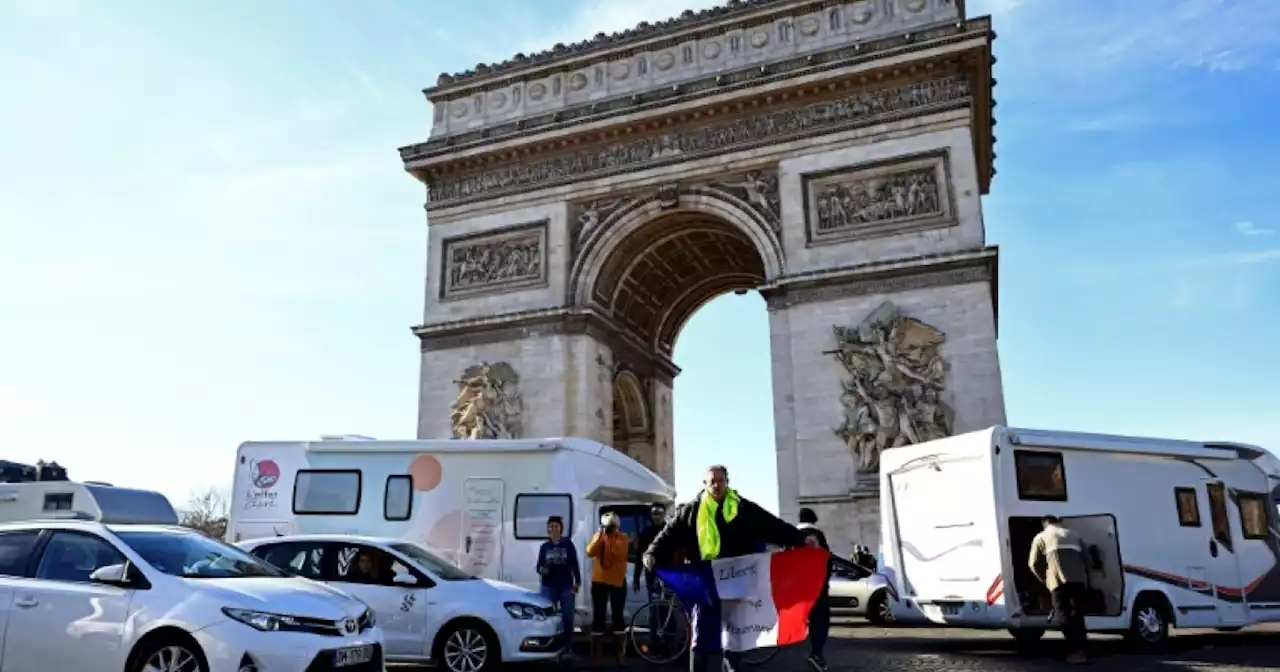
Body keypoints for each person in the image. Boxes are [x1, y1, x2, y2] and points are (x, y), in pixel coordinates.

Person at [643, 465, 818, 672]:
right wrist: (651, 553)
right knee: (701, 637)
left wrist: (800, 538)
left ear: (727, 482)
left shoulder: (743, 508)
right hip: (706, 583)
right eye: (712, 481)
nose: (717, 485)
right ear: (705, 484)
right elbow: (668, 535)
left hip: (737, 581)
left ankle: (733, 668)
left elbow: (772, 525)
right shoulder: (690, 511)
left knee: (735, 635)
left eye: (721, 481)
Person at [1029, 515, 1090, 664]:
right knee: (1077, 615)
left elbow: (1033, 564)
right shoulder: (1074, 534)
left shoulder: (1041, 537)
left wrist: (1044, 579)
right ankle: (1082, 650)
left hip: (1058, 581)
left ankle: (1074, 650)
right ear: (1058, 522)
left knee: (1063, 615)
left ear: (1044, 524)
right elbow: (1087, 560)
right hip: (1079, 581)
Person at [586, 511, 630, 665]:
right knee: (599, 617)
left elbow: (619, 553)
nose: (610, 529)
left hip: (617, 581)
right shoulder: (599, 536)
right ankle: (596, 657)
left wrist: (612, 536)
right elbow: (590, 552)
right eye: (608, 526)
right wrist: (599, 536)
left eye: (612, 526)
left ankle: (619, 655)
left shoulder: (623, 538)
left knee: (618, 617)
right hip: (599, 581)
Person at [535, 515, 581, 654]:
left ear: (561, 528)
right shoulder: (544, 547)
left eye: (556, 526)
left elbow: (574, 564)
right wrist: (543, 570)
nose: (554, 528)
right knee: (547, 618)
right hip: (548, 586)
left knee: (568, 617)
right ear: (548, 529)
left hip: (565, 586)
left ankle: (568, 648)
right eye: (551, 526)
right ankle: (549, 647)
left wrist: (577, 582)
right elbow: (539, 567)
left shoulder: (568, 544)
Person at [633, 503, 672, 655]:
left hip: (669, 574)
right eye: (654, 513)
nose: (656, 516)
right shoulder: (646, 532)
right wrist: (636, 577)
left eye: (659, 512)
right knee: (654, 610)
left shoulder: (670, 530)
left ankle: (669, 645)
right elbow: (639, 556)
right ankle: (655, 643)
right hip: (652, 575)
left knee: (668, 610)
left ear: (664, 514)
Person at [797, 508, 831, 672]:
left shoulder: (792, 534)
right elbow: (827, 560)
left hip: (798, 587)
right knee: (820, 621)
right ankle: (816, 653)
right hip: (818, 587)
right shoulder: (819, 535)